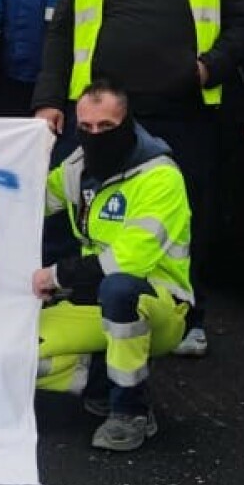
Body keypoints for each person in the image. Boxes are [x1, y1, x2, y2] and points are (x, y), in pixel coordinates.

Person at [33, 0, 244, 358]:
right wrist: (49, 99)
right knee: (87, 211)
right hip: (103, 118)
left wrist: (208, 69)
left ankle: (187, 315)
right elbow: (61, 32)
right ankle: (94, 304)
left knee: (185, 220)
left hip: (184, 113)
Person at [34, 84, 193, 454]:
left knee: (120, 290)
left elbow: (127, 261)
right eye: (85, 128)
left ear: (128, 122)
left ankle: (131, 410)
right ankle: (101, 384)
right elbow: (29, 202)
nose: (95, 136)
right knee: (20, 350)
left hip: (159, 304)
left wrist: (56, 277)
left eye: (106, 127)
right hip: (93, 299)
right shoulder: (77, 168)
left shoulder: (160, 177)